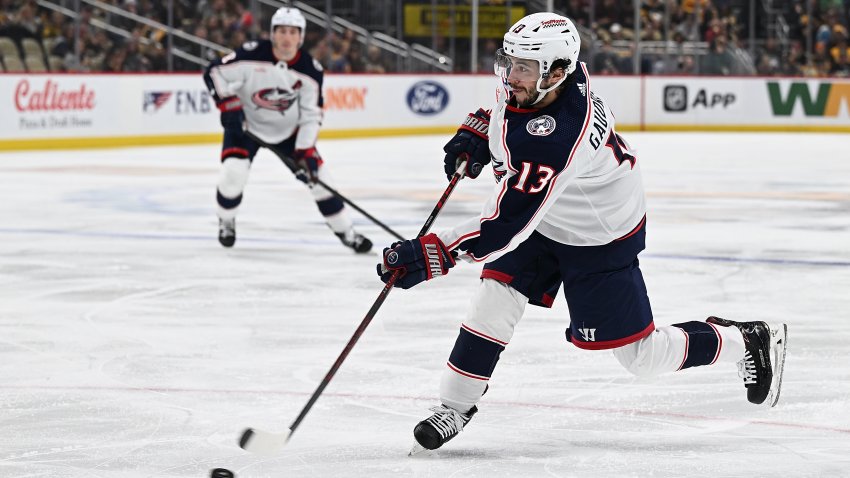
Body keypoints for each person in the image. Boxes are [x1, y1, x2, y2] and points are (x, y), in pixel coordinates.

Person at [376, 12, 788, 453]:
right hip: (548, 216)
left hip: (598, 234)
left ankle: (746, 339)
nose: (510, 74)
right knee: (492, 302)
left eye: (523, 67)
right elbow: (505, 107)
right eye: (509, 61)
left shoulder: (555, 140)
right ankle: (454, 407)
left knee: (641, 358)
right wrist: (479, 130)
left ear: (556, 72)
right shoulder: (542, 81)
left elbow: (502, 227)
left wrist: (430, 254)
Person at [203, 7, 372, 252]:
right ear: (273, 33)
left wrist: (304, 151)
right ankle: (226, 221)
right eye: (281, 31)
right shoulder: (252, 54)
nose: (286, 37)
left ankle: (347, 232)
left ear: (300, 37)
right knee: (233, 175)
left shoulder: (310, 70)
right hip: (245, 126)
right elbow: (214, 71)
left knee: (321, 182)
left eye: (293, 32)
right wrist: (228, 104)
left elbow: (312, 114)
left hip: (289, 133)